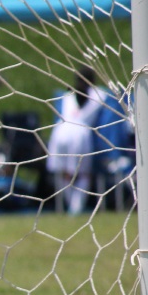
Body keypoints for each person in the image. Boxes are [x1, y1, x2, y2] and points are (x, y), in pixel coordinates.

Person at [46, 65, 106, 214]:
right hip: (80, 133)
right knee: (82, 173)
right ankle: (75, 208)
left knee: (64, 172)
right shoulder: (100, 95)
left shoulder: (67, 95)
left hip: (60, 132)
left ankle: (68, 206)